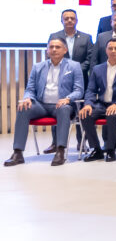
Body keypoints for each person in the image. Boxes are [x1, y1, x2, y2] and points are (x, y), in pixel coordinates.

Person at [4, 39, 83, 167]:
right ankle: (17, 153)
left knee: (64, 109)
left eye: (57, 47)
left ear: (65, 50)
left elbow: (79, 90)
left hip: (61, 105)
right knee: (23, 108)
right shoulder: (38, 67)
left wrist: (68, 98)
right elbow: (30, 89)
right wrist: (27, 98)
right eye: (51, 47)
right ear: (47, 50)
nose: (54, 49)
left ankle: (60, 151)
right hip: (41, 105)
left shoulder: (74, 66)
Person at [79, 39, 116, 162]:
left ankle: (110, 150)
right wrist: (88, 104)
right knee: (85, 115)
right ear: (106, 50)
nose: (113, 51)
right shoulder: (97, 69)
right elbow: (91, 90)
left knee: (112, 115)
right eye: (110, 48)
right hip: (102, 104)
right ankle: (96, 149)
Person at [47, 9, 93, 153]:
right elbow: (50, 56)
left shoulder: (86, 37)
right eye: (66, 18)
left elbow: (90, 58)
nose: (69, 20)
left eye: (72, 18)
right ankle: (55, 143)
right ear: (61, 20)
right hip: (60, 80)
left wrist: (76, 70)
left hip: (81, 79)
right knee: (58, 107)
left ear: (76, 20)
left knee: (81, 111)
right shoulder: (54, 36)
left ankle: (82, 142)